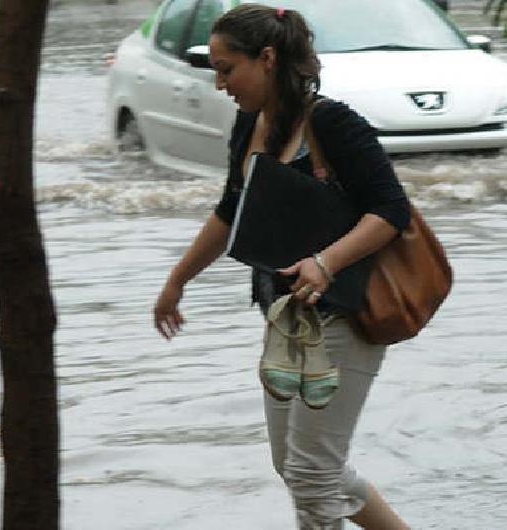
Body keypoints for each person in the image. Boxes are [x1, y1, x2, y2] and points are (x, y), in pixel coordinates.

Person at [153, 4, 411, 529]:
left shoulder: (334, 123)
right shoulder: (249, 124)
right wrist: (177, 281)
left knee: (313, 471)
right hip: (285, 315)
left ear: (267, 58)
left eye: (227, 69)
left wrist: (325, 261)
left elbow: (390, 211)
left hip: (344, 309)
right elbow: (232, 210)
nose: (221, 83)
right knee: (295, 466)